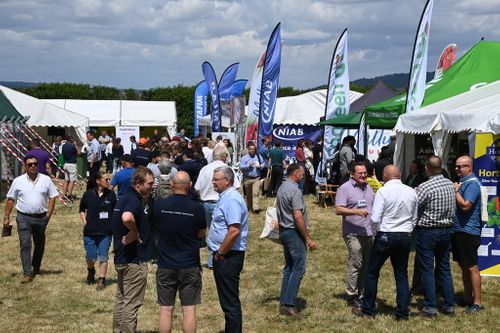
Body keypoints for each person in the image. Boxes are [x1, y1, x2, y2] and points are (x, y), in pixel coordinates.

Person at [353, 165, 417, 320]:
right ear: (400, 175)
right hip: (404, 235)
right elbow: (415, 217)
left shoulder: (383, 191)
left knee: (372, 272)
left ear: (385, 176)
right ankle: (402, 312)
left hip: (386, 234)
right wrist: (408, 230)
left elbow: (375, 218)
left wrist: (377, 231)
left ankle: (368, 309)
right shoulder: (411, 191)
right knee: (401, 274)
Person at [153, 171, 206, 333]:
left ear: (171, 185)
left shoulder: (160, 206)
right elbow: (202, 233)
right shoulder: (197, 208)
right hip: (189, 263)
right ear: (190, 186)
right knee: (189, 309)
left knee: (166, 309)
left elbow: (155, 229)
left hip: (165, 263)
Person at [112, 166, 154, 332]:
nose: (152, 187)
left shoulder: (122, 198)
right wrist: (134, 233)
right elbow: (127, 217)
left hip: (122, 258)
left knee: (121, 300)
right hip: (133, 260)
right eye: (150, 184)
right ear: (138, 184)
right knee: (131, 303)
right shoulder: (132, 200)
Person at [3, 155, 58, 283]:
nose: (33, 166)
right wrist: (6, 217)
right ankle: (27, 273)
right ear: (25, 166)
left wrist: (48, 216)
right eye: (30, 164)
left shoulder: (46, 180)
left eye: (35, 164)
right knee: (26, 244)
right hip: (23, 217)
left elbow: (52, 197)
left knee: (39, 245)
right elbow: (11, 199)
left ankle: (36, 266)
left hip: (41, 218)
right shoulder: (18, 181)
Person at [207, 166, 249, 333]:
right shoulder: (225, 197)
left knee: (230, 302)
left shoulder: (231, 199)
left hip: (228, 257)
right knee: (227, 301)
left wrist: (220, 253)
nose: (213, 182)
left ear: (227, 180)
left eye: (216, 179)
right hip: (225, 255)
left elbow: (234, 231)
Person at [415, 155, 456, 317]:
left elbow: (414, 205)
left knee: (427, 270)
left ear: (427, 168)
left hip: (428, 231)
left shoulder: (425, 187)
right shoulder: (449, 184)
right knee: (444, 269)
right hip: (446, 230)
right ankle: (449, 305)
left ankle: (430, 307)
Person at [277, 163, 317, 318]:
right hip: (293, 232)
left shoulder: (282, 187)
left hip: (284, 231)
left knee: (289, 267)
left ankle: (284, 300)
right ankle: (289, 304)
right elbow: (297, 216)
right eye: (301, 173)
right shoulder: (295, 191)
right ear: (295, 174)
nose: (303, 176)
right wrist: (307, 238)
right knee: (299, 267)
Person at [335, 160, 375, 309]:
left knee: (366, 265)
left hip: (368, 231)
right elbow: (338, 209)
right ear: (352, 174)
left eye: (365, 173)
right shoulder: (344, 188)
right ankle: (352, 294)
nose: (364, 175)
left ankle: (361, 293)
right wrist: (356, 211)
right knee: (356, 263)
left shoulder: (369, 188)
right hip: (352, 232)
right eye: (360, 173)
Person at [195, 146, 240, 269]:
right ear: (224, 156)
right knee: (221, 231)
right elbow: (235, 187)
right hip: (219, 203)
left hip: (205, 203)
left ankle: (212, 260)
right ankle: (218, 258)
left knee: (211, 231)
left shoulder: (204, 169)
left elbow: (197, 187)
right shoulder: (227, 169)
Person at [452, 155, 485, 313]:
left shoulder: (471, 184)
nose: (457, 169)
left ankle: (477, 303)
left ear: (469, 168)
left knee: (471, 267)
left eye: (460, 166)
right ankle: (467, 298)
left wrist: (456, 191)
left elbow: (466, 206)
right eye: (456, 166)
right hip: (459, 230)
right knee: (464, 266)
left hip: (468, 232)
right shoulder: (465, 182)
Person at [79, 172, 116, 290]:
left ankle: (102, 279)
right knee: (91, 257)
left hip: (106, 232)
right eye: (106, 180)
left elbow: (115, 211)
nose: (109, 182)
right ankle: (90, 270)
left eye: (109, 180)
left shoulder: (111, 195)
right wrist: (85, 222)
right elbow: (81, 209)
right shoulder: (88, 194)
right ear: (98, 181)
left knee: (103, 256)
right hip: (90, 231)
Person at [239, 143, 265, 213]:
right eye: (251, 149)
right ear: (248, 150)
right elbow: (241, 167)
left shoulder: (258, 156)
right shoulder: (244, 158)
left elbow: (263, 163)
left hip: (256, 178)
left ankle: (255, 209)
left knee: (255, 193)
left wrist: (260, 166)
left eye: (254, 149)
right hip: (247, 178)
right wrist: (248, 165)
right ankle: (250, 207)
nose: (252, 150)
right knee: (248, 195)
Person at [61, 136, 78, 200]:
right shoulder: (72, 146)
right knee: (72, 181)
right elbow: (78, 153)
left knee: (66, 180)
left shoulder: (63, 146)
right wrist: (76, 145)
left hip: (66, 164)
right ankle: (69, 195)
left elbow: (63, 154)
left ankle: (64, 194)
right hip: (72, 164)